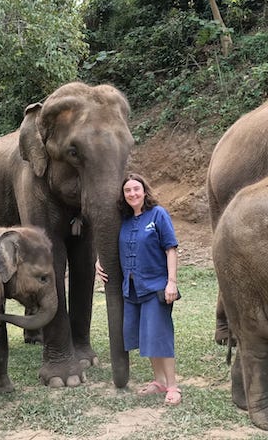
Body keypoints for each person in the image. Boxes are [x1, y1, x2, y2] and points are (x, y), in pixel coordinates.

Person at [96, 172, 181, 406]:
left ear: (144, 191)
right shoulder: (123, 221)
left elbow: (170, 249)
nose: (132, 193)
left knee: (160, 335)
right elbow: (109, 246)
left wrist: (171, 282)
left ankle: (173, 386)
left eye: (136, 189)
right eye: (128, 191)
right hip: (132, 289)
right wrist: (97, 261)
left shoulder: (158, 215)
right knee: (147, 336)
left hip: (156, 287)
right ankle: (159, 381)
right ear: (123, 196)